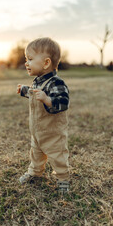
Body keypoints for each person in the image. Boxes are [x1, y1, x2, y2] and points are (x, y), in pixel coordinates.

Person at [17, 37, 70, 193]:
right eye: (26, 59)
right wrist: (25, 90)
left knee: (57, 155)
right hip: (38, 131)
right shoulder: (37, 81)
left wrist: (47, 100)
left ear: (46, 63)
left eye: (30, 59)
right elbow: (35, 95)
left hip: (53, 132)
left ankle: (63, 178)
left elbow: (63, 102)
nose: (26, 63)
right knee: (36, 154)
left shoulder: (56, 83)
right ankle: (35, 172)